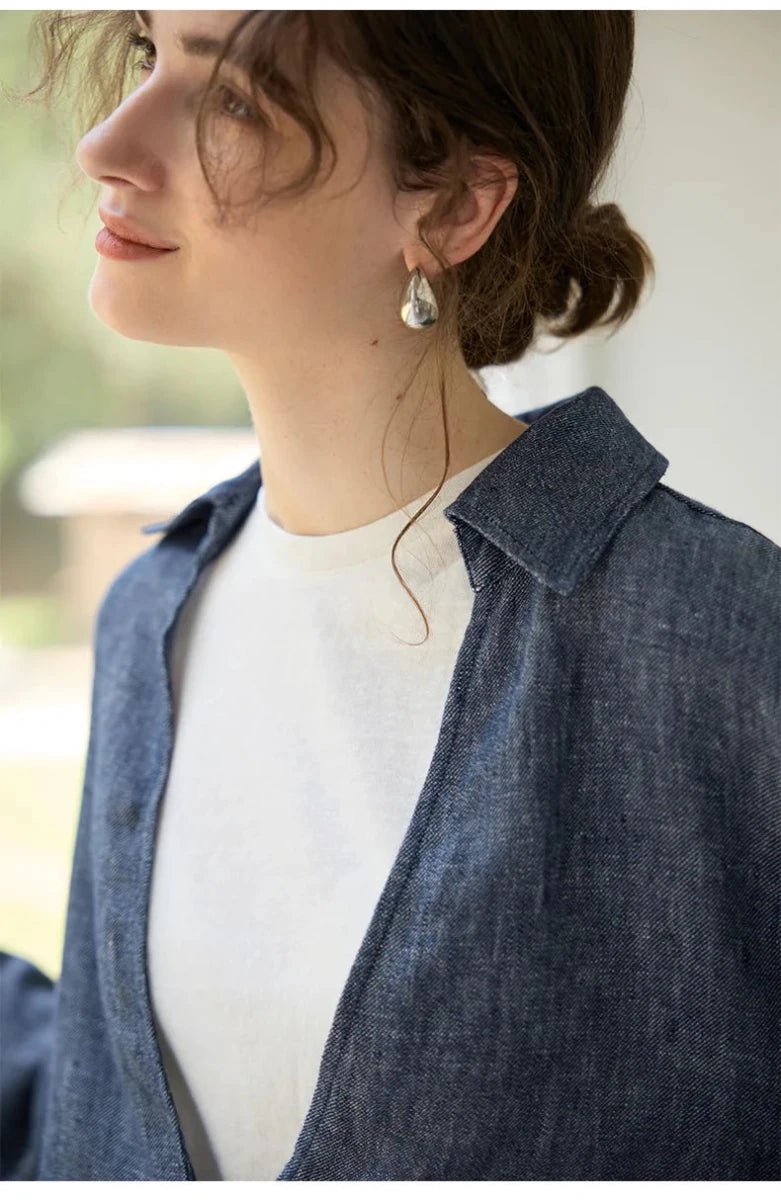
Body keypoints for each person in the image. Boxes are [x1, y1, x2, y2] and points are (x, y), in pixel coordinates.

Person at [1, 9, 778, 1183]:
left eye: (232, 99)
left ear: (455, 204)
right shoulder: (148, 617)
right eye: (147, 54)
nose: (104, 144)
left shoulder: (722, 640)